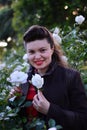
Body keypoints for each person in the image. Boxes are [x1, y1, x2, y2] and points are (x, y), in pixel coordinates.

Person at [9, 25, 87, 130]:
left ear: (52, 49)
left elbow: (83, 120)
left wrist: (50, 109)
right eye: (31, 52)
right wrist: (13, 101)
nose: (37, 57)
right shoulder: (23, 80)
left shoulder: (71, 77)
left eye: (42, 50)